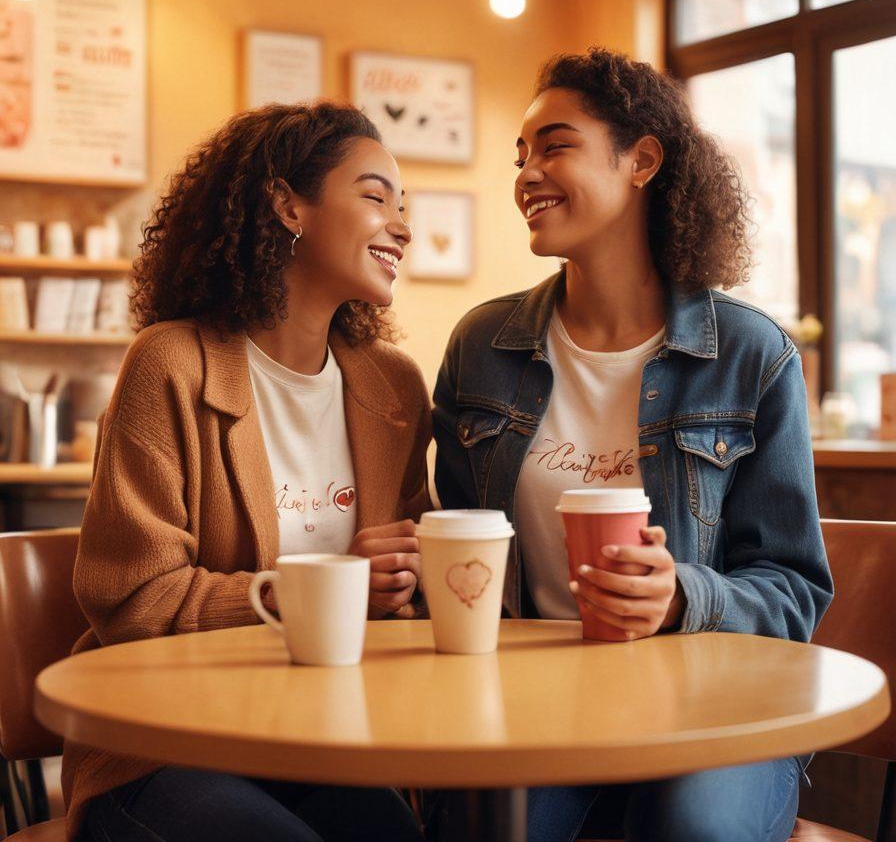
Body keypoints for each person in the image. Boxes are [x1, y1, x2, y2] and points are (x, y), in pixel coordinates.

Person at [432, 47, 833, 842]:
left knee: (694, 830)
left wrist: (682, 595)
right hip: (533, 702)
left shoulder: (751, 356)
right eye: (521, 155)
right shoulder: (483, 347)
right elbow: (457, 552)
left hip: (719, 704)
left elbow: (795, 590)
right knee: (483, 827)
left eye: (555, 145)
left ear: (642, 160)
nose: (526, 173)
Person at [65, 102, 430, 842]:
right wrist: (325, 589)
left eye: (405, 206)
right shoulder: (169, 364)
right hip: (160, 747)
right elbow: (135, 600)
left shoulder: (393, 387)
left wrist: (412, 582)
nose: (402, 225)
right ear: (287, 203)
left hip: (318, 740)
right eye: (375, 196)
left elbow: (404, 595)